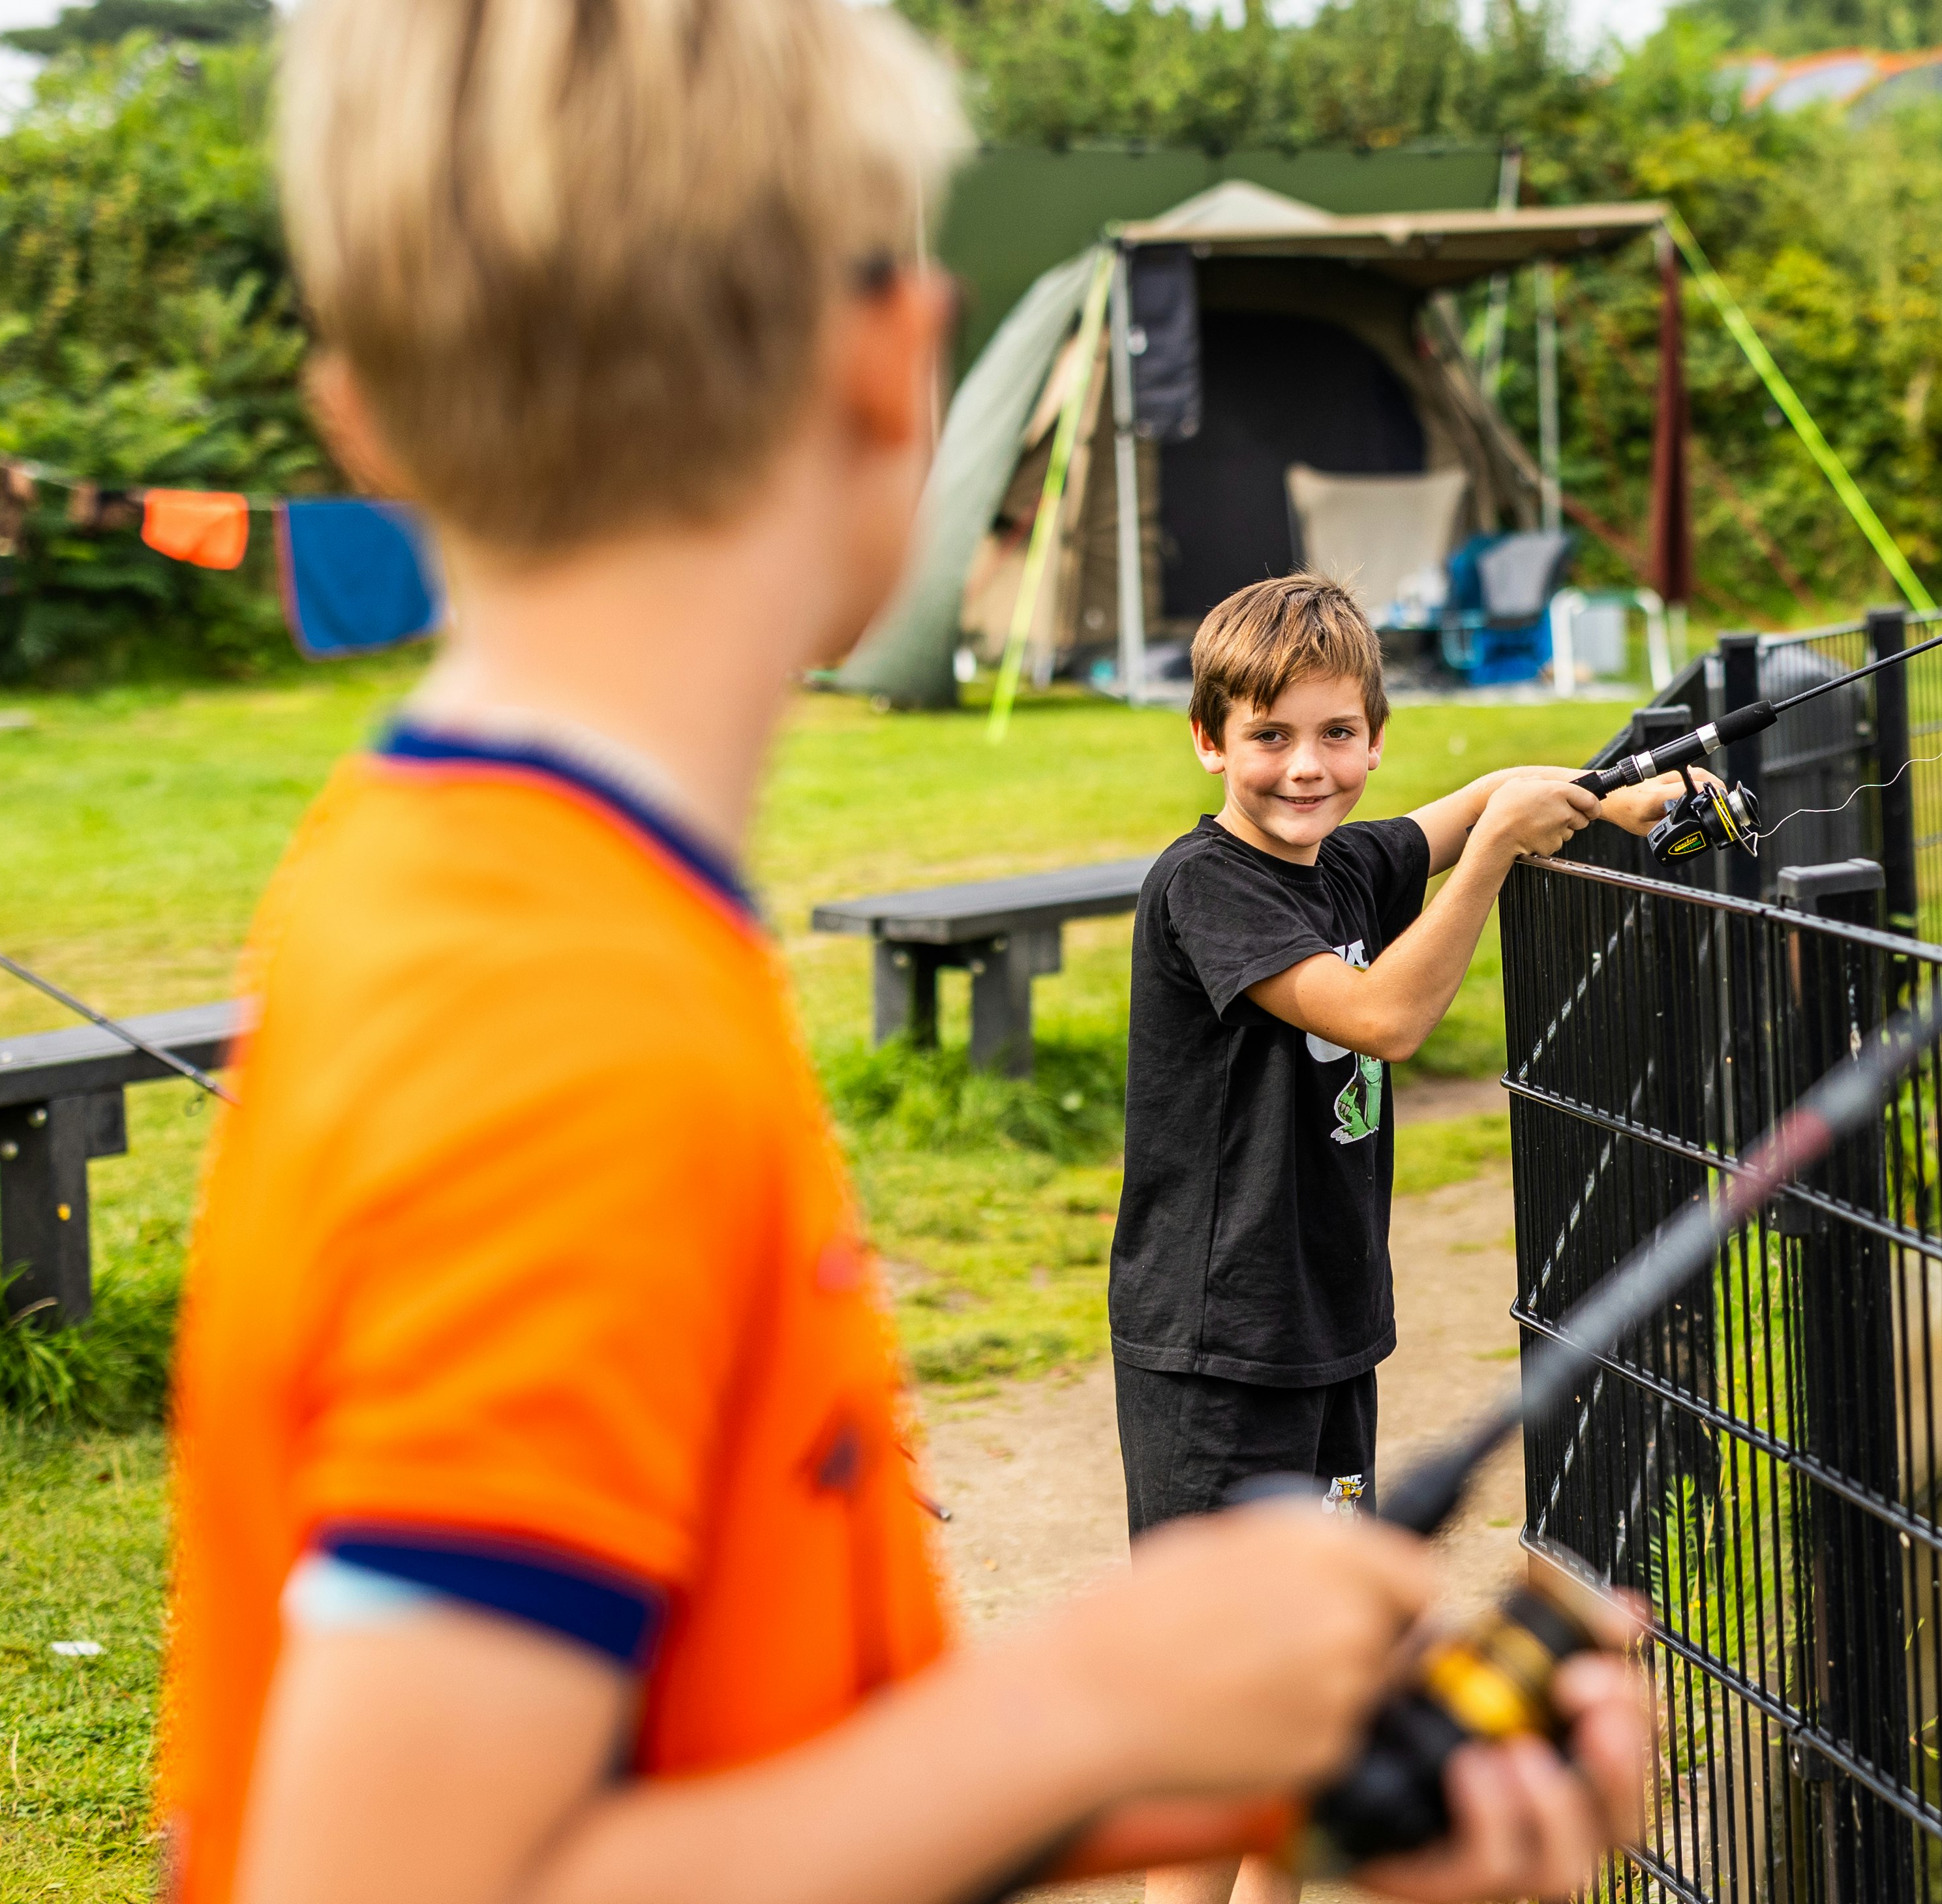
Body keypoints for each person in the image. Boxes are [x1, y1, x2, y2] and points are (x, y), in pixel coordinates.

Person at [160, 6, 1648, 1904]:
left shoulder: (477, 897)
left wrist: (1243, 1778)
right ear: (895, 374)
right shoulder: (554, 1030)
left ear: (357, 408)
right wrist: (1092, 1707)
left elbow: (687, 1789)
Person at [1113, 574, 1688, 1904]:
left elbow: (1489, 790)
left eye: (1332, 735)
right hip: (1217, 1351)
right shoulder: (1210, 886)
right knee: (1218, 1719)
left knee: (1314, 1695)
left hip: (1325, 1334)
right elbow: (1380, 1019)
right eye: (1267, 737)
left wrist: (1608, 806)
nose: (1302, 767)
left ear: (1373, 739)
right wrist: (1487, 863)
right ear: (1208, 740)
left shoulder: (1351, 859)